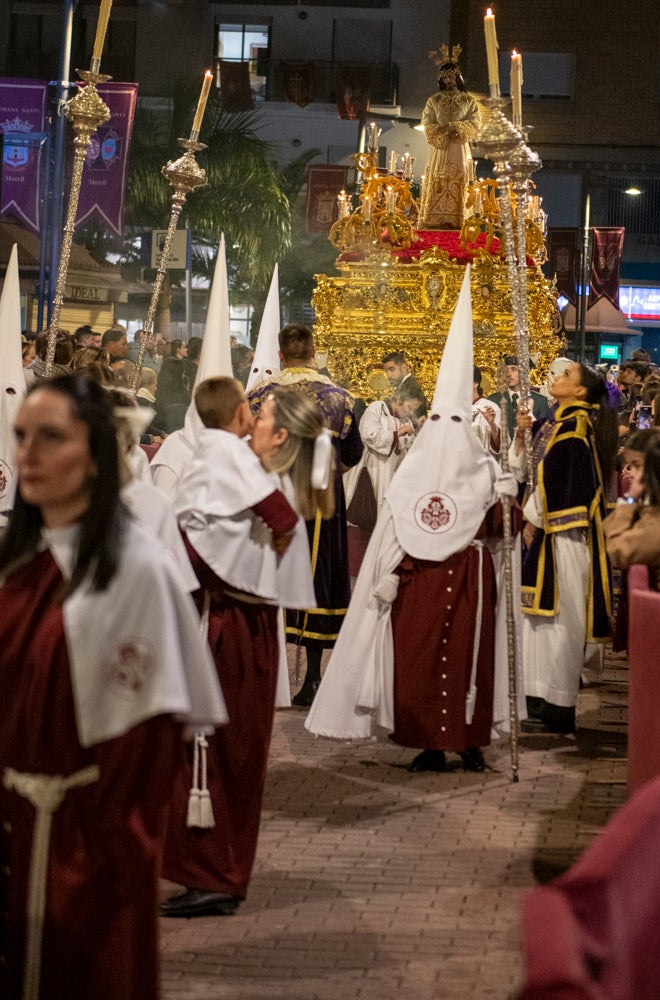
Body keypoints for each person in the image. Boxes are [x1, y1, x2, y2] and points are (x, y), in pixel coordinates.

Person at [0, 375, 225, 1000]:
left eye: (51, 438)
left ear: (96, 454)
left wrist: (101, 856)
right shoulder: (17, 568)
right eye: (22, 437)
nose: (28, 456)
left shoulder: (136, 574)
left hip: (88, 847)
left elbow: (146, 752)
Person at [306, 268, 520, 771]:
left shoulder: (486, 467)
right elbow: (396, 526)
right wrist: (388, 577)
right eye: (439, 422)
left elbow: (495, 532)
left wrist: (507, 493)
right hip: (420, 579)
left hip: (469, 578)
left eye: (454, 423)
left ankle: (470, 741)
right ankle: (426, 740)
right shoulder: (414, 469)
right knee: (419, 659)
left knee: (470, 659)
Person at [162, 378, 327, 918]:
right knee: (214, 751)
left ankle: (216, 874)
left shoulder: (245, 473)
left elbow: (198, 551)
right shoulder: (249, 473)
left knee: (222, 752)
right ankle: (207, 869)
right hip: (228, 623)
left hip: (231, 628)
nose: (251, 420)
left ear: (278, 436)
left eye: (262, 415)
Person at [248, 324, 363, 706]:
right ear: (314, 351)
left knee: (268, 571)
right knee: (319, 577)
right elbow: (352, 454)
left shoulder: (259, 395)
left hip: (269, 495)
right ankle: (312, 677)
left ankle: (268, 675)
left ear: (281, 355)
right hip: (320, 499)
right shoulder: (339, 399)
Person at [517, 362, 618, 734]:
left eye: (565, 376)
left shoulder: (575, 430)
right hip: (546, 530)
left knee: (561, 619)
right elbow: (526, 470)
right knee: (538, 618)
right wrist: (520, 437)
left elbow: (559, 480)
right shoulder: (555, 424)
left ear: (580, 392)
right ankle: (535, 694)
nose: (556, 379)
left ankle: (558, 702)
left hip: (564, 532)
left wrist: (532, 518)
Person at [344, 380, 426, 527]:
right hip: (373, 470)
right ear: (400, 399)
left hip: (390, 474)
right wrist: (398, 433)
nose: (411, 413)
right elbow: (369, 434)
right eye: (409, 407)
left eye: (414, 410)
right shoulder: (377, 408)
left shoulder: (405, 420)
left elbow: (405, 448)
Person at [417, 45, 480, 231]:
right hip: (441, 145)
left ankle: (459, 217)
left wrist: (458, 127)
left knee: (458, 177)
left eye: (452, 76)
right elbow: (426, 123)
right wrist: (443, 130)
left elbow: (476, 123)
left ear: (458, 77)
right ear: (441, 79)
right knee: (438, 177)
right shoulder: (434, 100)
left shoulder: (468, 101)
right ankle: (434, 216)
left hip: (459, 146)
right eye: (445, 77)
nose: (448, 80)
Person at [604, 431, 660, 591]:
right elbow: (606, 528)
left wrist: (629, 501)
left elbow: (616, 551)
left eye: (637, 466)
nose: (630, 471)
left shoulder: (655, 523)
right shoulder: (649, 511)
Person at [488, 356, 549, 439]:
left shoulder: (540, 401)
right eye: (506, 370)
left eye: (513, 369)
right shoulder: (493, 400)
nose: (508, 374)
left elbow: (543, 434)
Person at [472, 364, 501, 455]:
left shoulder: (490, 408)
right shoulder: (454, 409)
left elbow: (500, 447)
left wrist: (492, 424)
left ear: (476, 383)